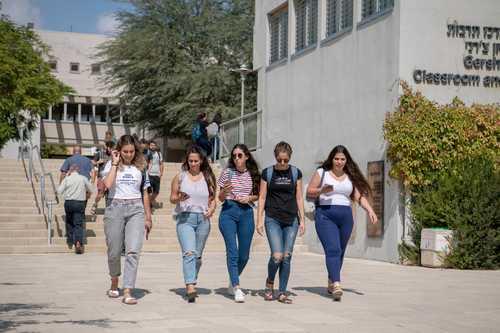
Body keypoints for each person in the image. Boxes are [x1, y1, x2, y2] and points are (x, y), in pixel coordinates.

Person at [306, 145, 378, 301]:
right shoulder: (322, 173)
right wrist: (321, 191)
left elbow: (358, 197)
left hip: (346, 217)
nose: (339, 162)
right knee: (333, 249)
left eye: (342, 159)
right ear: (331, 159)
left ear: (346, 160)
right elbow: (309, 191)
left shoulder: (350, 176)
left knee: (340, 251)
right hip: (325, 215)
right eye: (336, 159)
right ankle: (337, 284)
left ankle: (332, 279)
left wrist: (370, 210)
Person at [102, 134, 153, 305]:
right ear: (119, 150)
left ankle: (128, 290)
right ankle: (114, 281)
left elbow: (145, 192)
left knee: (133, 251)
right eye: (125, 151)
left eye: (132, 151)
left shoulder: (141, 167)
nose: (129, 154)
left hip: (135, 209)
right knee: (114, 251)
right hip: (114, 208)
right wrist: (115, 163)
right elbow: (107, 186)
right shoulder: (111, 164)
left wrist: (148, 217)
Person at [256, 142, 305, 304]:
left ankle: (282, 292)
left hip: (291, 220)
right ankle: (270, 283)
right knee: (277, 256)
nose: (282, 163)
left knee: (287, 256)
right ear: (275, 157)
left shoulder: (296, 173)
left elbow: (299, 197)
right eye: (279, 159)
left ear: (289, 158)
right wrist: (259, 220)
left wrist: (303, 220)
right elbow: (262, 197)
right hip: (273, 218)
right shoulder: (268, 173)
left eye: (285, 160)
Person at [170, 145, 216, 303]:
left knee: (197, 256)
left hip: (203, 220)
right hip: (185, 219)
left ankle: (192, 279)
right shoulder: (180, 177)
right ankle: (190, 286)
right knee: (189, 252)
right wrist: (179, 198)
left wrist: (211, 209)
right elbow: (172, 198)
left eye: (196, 161)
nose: (193, 164)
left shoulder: (208, 177)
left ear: (201, 161)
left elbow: (212, 199)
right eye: (191, 161)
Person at [217, 144, 260, 303]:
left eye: (239, 155)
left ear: (247, 156)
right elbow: (220, 198)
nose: (236, 158)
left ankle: (232, 279)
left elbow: (258, 195)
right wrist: (224, 192)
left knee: (244, 255)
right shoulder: (227, 172)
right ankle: (236, 286)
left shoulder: (254, 175)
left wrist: (249, 198)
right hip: (228, 211)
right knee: (232, 251)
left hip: (246, 213)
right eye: (234, 156)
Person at [57, 164, 93, 254]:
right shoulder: (83, 178)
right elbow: (91, 189)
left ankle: (70, 240)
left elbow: (59, 191)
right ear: (78, 170)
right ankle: (78, 242)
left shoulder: (67, 179)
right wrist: (86, 192)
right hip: (80, 202)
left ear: (70, 170)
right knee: (78, 224)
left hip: (68, 202)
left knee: (69, 221)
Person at [90, 141, 115, 216]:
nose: (110, 149)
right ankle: (95, 204)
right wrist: (98, 162)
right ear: (106, 147)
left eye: (112, 148)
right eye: (109, 147)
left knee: (109, 194)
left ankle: (108, 209)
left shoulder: (114, 155)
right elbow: (92, 162)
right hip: (101, 176)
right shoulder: (100, 153)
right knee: (100, 193)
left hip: (111, 176)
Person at [148, 140, 164, 208]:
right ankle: (148, 204)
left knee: (156, 191)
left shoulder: (159, 154)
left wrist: (161, 173)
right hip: (149, 174)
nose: (153, 146)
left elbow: (161, 164)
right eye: (151, 145)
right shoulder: (147, 153)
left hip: (157, 174)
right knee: (149, 191)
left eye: (154, 145)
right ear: (149, 146)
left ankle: (149, 201)